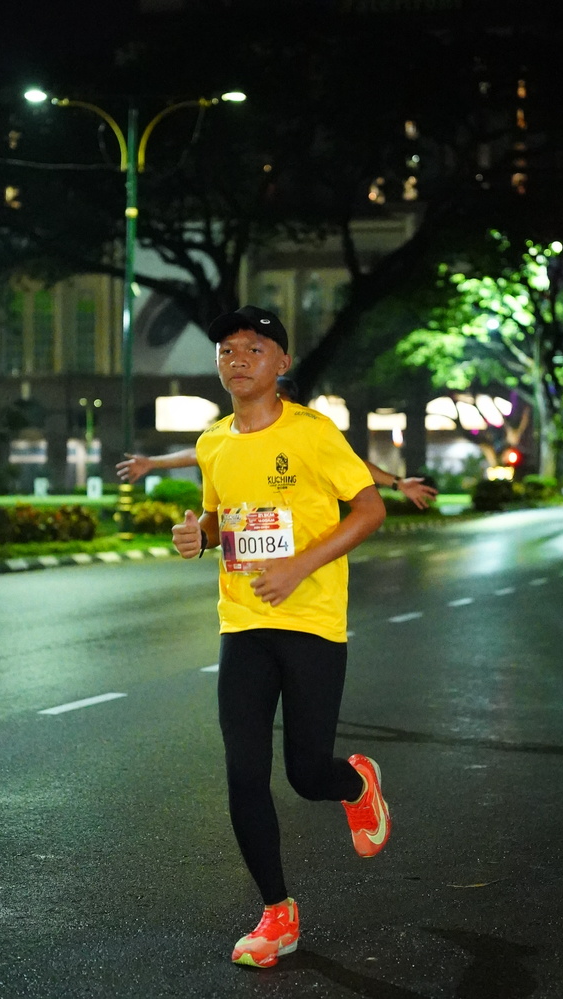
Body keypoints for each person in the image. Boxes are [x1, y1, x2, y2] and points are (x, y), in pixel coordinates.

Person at [170, 305, 391, 969]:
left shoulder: (314, 433)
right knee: (244, 772)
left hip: (311, 621)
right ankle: (277, 912)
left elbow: (370, 508)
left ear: (282, 363)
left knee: (305, 772)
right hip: (243, 622)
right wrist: (198, 535)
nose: (237, 359)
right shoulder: (212, 442)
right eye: (227, 350)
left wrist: (299, 565)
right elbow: (220, 519)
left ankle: (354, 783)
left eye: (254, 348)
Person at [116, 385, 438, 510]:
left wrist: (397, 483)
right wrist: (152, 463)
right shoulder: (236, 433)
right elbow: (202, 452)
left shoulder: (310, 432)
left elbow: (356, 467)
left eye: (279, 399)